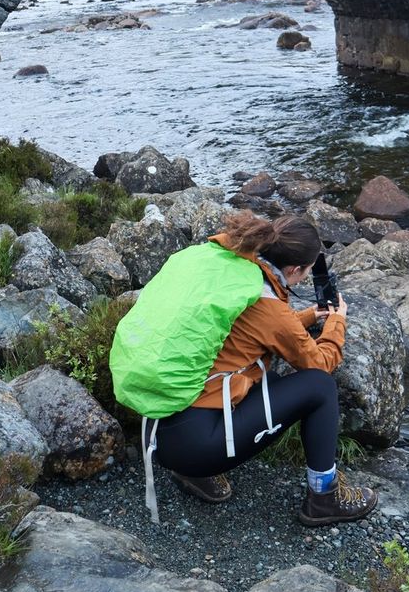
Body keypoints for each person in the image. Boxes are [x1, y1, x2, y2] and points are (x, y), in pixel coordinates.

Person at [152, 210, 378, 526]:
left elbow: (259, 332)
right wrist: (336, 322)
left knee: (268, 379)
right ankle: (324, 498)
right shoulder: (268, 304)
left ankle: (193, 472)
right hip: (194, 447)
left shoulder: (238, 272)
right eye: (307, 272)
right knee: (320, 388)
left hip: (164, 428)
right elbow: (319, 364)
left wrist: (312, 316)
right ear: (296, 269)